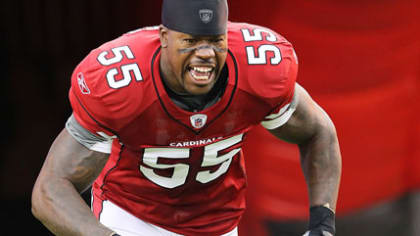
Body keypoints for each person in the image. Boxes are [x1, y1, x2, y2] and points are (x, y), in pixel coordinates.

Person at [31, 0, 341, 235]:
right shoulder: (122, 84)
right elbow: (50, 189)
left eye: (215, 41)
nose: (205, 53)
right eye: (190, 41)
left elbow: (318, 131)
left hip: (218, 222)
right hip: (133, 217)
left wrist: (322, 224)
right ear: (164, 37)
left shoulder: (259, 69)